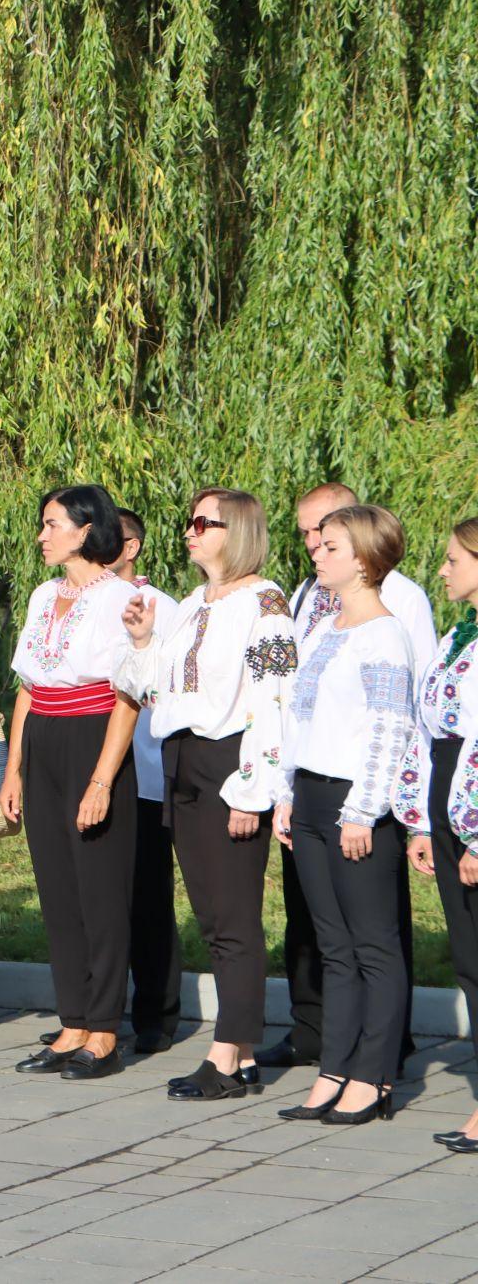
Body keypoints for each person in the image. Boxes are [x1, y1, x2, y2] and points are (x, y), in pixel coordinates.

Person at [116, 490, 296, 1100]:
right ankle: (240, 1055)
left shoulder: (265, 602)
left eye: (202, 522)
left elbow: (276, 697)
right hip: (182, 759)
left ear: (236, 530)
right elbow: (153, 693)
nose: (189, 532)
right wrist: (144, 640)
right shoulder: (193, 603)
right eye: (188, 522)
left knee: (233, 917)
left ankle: (227, 1054)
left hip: (231, 762)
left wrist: (254, 787)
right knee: (213, 916)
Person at [262, 482, 434, 1073]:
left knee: (374, 939)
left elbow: (401, 717)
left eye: (326, 536)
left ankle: (379, 1063)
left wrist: (380, 808)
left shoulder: (394, 610)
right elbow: (295, 701)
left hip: (359, 795)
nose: (313, 545)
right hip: (310, 789)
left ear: (360, 548)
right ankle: (328, 1055)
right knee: (326, 937)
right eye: (309, 535)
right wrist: (285, 789)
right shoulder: (314, 606)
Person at [3, 485, 140, 1081]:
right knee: (57, 889)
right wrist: (13, 768)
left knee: (99, 891)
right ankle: (73, 1020)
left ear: (86, 530)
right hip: (44, 740)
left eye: (53, 524)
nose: (42, 535)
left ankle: (105, 1029)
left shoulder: (122, 599)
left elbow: (129, 696)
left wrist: (102, 780)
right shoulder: (43, 595)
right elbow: (28, 688)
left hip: (94, 738)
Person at [395, 518, 478, 1151]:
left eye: (453, 560)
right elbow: (430, 730)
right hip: (448, 804)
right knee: (470, 960)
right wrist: (423, 821)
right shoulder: (458, 634)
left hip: (473, 814)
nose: (442, 569)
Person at [113, 508, 185, 1054]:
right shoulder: (74, 602)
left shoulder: (164, 607)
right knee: (99, 895)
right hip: (91, 769)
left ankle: (155, 1013)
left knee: (148, 894)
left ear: (132, 546)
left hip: (145, 772)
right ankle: (92, 1012)